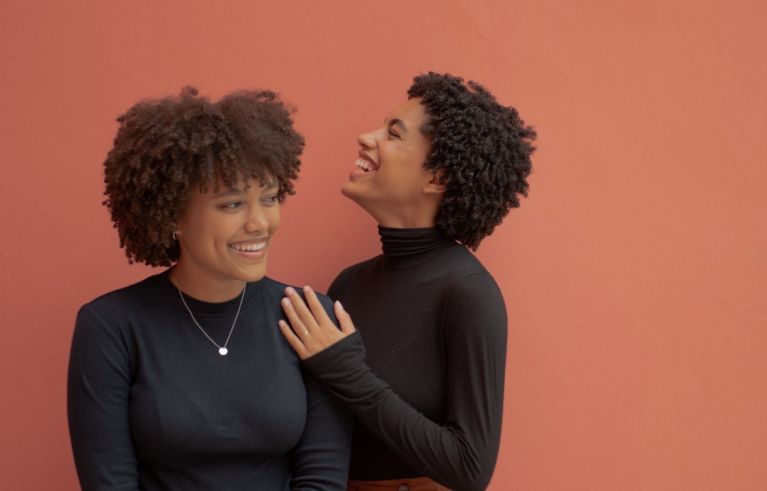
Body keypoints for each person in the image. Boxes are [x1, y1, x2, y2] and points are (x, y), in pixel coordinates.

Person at [67, 87, 351, 490]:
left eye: (269, 198)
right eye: (232, 204)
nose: (259, 223)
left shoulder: (307, 317)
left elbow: (322, 479)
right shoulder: (111, 326)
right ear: (172, 216)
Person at [279, 72, 536, 491]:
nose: (366, 137)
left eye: (392, 134)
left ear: (436, 178)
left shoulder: (467, 292)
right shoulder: (348, 284)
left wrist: (346, 370)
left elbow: (470, 469)